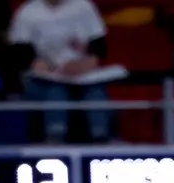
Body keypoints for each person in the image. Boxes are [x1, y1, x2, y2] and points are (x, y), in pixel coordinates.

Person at [9, 0, 114, 143]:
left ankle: (101, 137)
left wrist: (84, 64)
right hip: (46, 75)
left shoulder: (84, 6)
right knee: (56, 90)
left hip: (81, 74)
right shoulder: (27, 12)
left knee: (95, 91)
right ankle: (55, 138)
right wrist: (47, 67)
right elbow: (21, 54)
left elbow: (98, 48)